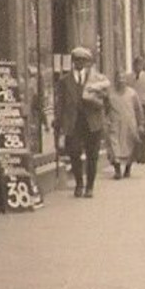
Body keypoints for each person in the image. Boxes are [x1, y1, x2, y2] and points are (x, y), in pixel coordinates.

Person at [53, 47, 110, 198]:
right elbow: (60, 103)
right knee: (74, 152)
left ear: (87, 62)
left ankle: (90, 186)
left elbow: (105, 99)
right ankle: (79, 183)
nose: (79, 63)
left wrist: (104, 113)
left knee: (92, 155)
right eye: (77, 60)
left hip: (92, 122)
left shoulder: (96, 79)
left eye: (82, 60)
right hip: (73, 122)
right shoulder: (65, 81)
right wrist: (58, 122)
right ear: (72, 62)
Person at [105, 72, 145, 180]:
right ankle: (117, 170)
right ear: (115, 80)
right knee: (114, 146)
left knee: (130, 147)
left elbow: (138, 109)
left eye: (123, 78)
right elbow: (105, 109)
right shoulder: (110, 94)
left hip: (129, 124)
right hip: (115, 124)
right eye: (118, 78)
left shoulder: (132, 93)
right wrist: (106, 121)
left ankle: (128, 168)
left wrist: (141, 123)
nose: (121, 81)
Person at [129, 58, 145, 164]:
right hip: (132, 106)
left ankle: (142, 153)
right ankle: (135, 153)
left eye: (139, 65)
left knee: (143, 129)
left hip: (144, 105)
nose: (137, 67)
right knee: (133, 128)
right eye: (135, 65)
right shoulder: (129, 77)